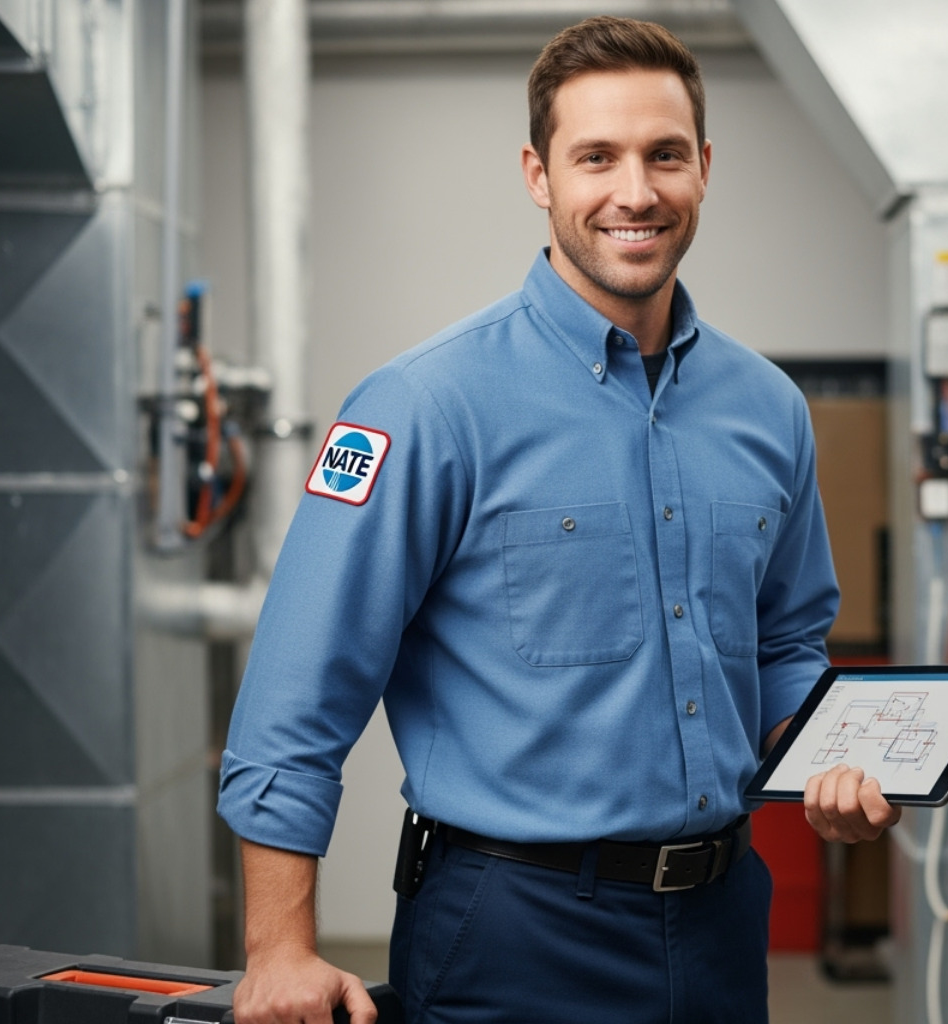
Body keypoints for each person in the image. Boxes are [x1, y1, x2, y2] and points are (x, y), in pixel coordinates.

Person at [219, 16, 900, 1024]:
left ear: (704, 168)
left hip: (720, 926)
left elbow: (785, 641)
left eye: (665, 155)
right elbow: (298, 689)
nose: (636, 191)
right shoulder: (424, 406)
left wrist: (828, 756)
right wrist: (279, 948)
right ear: (539, 175)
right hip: (513, 930)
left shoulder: (768, 410)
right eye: (598, 158)